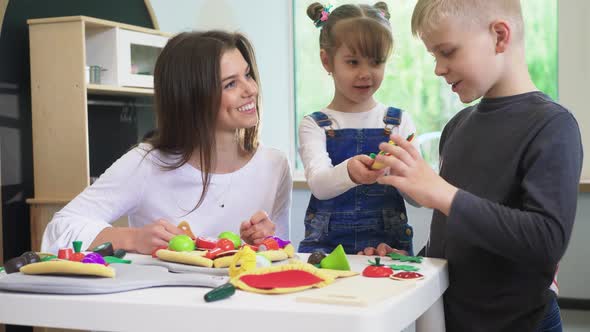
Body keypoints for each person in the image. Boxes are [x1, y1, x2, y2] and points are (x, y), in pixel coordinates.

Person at [362, 1, 582, 331]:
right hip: (456, 320)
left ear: (499, 36)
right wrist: (413, 261)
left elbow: (546, 241)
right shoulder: (458, 125)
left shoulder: (553, 126)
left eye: (447, 52)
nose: (438, 68)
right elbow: (457, 235)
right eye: (434, 56)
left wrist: (443, 194)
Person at [42, 31, 292, 255]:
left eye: (247, 75)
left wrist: (265, 242)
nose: (251, 89)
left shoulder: (274, 166)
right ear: (192, 97)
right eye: (230, 84)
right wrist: (133, 238)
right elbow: (59, 230)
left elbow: (281, 256)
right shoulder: (147, 164)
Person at [297, 2, 419, 255]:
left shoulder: (399, 121)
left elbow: (418, 199)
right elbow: (320, 185)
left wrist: (403, 173)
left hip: (387, 250)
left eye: (376, 62)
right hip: (327, 251)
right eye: (353, 62)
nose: (366, 73)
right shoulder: (315, 124)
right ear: (326, 60)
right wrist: (350, 173)